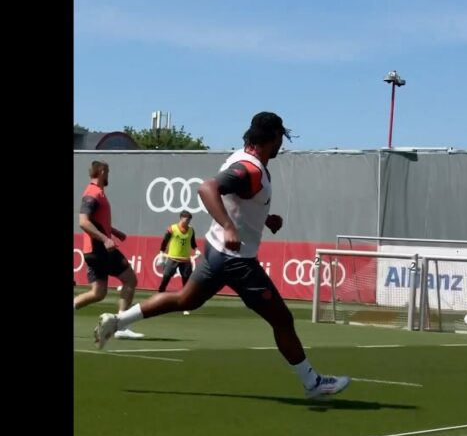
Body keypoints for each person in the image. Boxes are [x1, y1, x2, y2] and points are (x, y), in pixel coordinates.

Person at [95, 112, 349, 399]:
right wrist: (229, 226)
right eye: (281, 138)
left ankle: (117, 321)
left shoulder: (243, 158)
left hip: (217, 252)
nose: (281, 144)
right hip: (236, 261)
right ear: (274, 137)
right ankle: (313, 383)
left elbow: (237, 200)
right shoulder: (250, 169)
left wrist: (264, 218)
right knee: (282, 319)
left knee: (185, 299)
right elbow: (207, 189)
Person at [73, 160, 144, 340]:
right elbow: (84, 222)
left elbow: (97, 222)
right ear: (103, 172)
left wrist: (114, 232)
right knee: (130, 279)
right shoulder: (93, 194)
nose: (109, 176)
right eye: (108, 172)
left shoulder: (98, 193)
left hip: (93, 251)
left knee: (98, 293)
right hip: (100, 250)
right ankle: (121, 326)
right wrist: (105, 239)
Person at [157, 210, 199, 315]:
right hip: (173, 258)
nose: (188, 221)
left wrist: (196, 249)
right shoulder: (172, 229)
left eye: (189, 220)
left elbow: (193, 243)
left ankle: (186, 306)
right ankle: (159, 297)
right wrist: (161, 253)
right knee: (166, 277)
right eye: (186, 219)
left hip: (185, 259)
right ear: (181, 218)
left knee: (186, 282)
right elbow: (165, 241)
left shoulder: (191, 230)